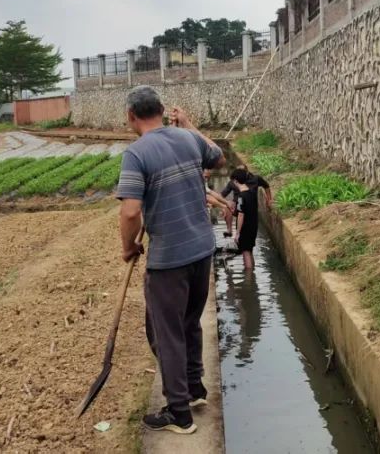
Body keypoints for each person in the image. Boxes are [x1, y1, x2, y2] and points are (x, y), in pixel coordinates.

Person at [116, 86, 225, 435]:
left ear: (132, 116)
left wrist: (129, 246)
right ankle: (194, 389)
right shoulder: (188, 139)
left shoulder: (136, 154)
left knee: (167, 334)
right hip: (202, 250)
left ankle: (179, 413)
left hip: (170, 259)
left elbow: (131, 210)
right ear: (162, 110)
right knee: (190, 322)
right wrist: (191, 125)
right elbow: (218, 156)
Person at [219, 165, 273, 237]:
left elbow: (266, 186)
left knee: (245, 234)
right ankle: (229, 230)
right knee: (226, 207)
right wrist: (221, 206)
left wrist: (269, 199)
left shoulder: (255, 179)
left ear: (247, 172)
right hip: (238, 207)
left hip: (250, 208)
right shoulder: (233, 182)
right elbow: (222, 196)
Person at [232, 168, 260, 270]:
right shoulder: (252, 193)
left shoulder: (241, 196)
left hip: (245, 228)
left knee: (245, 252)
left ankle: (248, 280)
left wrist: (238, 232)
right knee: (250, 250)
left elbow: (241, 215)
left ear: (235, 181)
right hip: (254, 226)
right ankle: (252, 273)